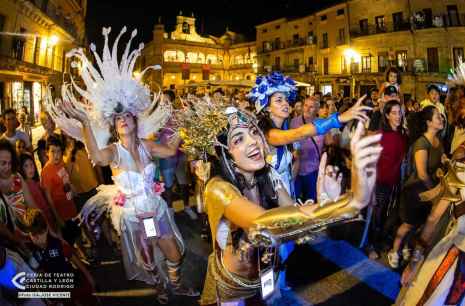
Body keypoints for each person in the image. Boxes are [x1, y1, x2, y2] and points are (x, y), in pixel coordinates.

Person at [175, 99, 382, 305]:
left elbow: (292, 214)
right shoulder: (218, 188)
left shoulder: (268, 174)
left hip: (266, 272)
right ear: (224, 155)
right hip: (233, 289)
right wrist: (353, 201)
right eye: (238, 139)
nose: (253, 142)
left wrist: (324, 203)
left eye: (254, 132)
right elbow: (263, 223)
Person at [51, 27, 197, 303]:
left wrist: (184, 124)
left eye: (128, 116)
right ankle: (164, 290)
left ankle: (174, 284)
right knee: (150, 260)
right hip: (135, 218)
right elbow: (95, 154)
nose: (123, 119)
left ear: (134, 119)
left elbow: (169, 150)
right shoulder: (113, 152)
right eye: (118, 118)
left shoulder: (146, 144)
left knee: (175, 253)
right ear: (114, 124)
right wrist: (83, 122)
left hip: (155, 210)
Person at [388, 106, 445, 268]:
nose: (441, 119)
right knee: (407, 224)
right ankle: (394, 250)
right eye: (437, 117)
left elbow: (438, 166)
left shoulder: (438, 141)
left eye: (441, 116)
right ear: (428, 122)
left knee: (418, 224)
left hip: (428, 192)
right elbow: (421, 173)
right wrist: (434, 192)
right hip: (415, 192)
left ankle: (406, 247)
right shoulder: (422, 143)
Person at [21, 209, 98, 306]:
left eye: (40, 233)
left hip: (73, 284)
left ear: (46, 229)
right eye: (33, 234)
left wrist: (90, 279)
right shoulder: (32, 252)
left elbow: (77, 262)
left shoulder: (58, 244)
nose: (37, 238)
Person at [368, 100, 407, 259]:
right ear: (386, 115)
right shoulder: (379, 135)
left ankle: (382, 240)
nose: (398, 116)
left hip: (396, 183)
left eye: (400, 112)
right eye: (394, 113)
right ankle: (372, 245)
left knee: (388, 215)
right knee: (377, 215)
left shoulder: (403, 135)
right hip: (379, 183)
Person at [0, 140, 38, 238]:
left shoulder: (17, 178)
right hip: (10, 245)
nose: (7, 167)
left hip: (31, 235)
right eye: (3, 163)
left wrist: (39, 230)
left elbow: (33, 207)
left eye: (10, 163)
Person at [291, 96, 325, 202]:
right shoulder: (294, 122)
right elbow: (290, 142)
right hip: (296, 170)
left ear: (317, 110)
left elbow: (329, 143)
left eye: (311, 107)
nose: (307, 109)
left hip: (313, 170)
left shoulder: (322, 124)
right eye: (305, 105)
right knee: (294, 201)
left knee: (311, 202)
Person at [40, 135, 77, 227]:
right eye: (52, 151)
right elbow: (48, 199)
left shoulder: (61, 162)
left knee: (79, 235)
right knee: (70, 239)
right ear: (47, 153)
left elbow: (67, 179)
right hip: (62, 214)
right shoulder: (46, 172)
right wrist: (58, 218)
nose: (56, 155)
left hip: (72, 207)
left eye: (59, 151)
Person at [18, 154, 54, 228]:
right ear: (21, 169)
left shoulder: (35, 182)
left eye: (31, 164)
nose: (30, 168)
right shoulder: (26, 187)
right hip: (43, 222)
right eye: (26, 166)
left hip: (49, 217)